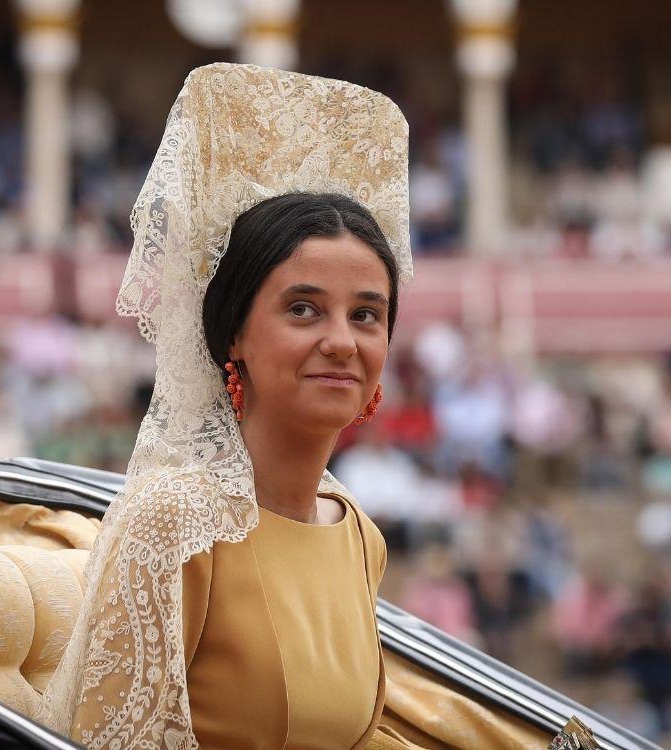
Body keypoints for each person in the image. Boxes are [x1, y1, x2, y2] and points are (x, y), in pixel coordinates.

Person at [38, 63, 417, 749]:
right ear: (233, 333)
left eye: (367, 315)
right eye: (303, 309)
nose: (341, 341)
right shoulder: (174, 524)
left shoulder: (359, 534)